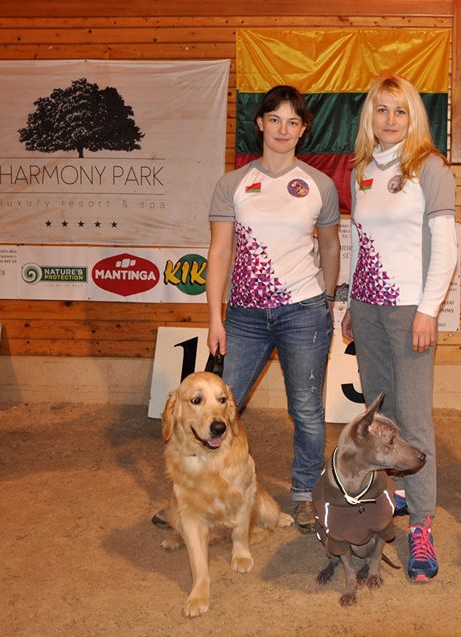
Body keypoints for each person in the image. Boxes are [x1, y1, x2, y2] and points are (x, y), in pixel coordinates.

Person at [207, 85, 340, 532]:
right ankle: (209, 494)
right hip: (244, 317)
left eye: (293, 122)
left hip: (303, 313)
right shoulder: (233, 184)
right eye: (275, 119)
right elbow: (219, 253)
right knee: (219, 408)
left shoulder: (320, 185)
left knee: (306, 410)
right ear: (261, 123)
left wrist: (326, 299)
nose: (283, 129)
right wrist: (215, 318)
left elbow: (330, 246)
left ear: (303, 130)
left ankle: (305, 493)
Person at [341, 75, 458, 582]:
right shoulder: (361, 170)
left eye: (400, 111)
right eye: (382, 110)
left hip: (410, 309)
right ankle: (392, 497)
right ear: (370, 116)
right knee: (378, 416)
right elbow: (358, 241)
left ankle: (422, 526)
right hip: (367, 308)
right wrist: (351, 300)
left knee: (412, 417)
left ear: (415, 118)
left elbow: (446, 248)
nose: (390, 120)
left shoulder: (430, 168)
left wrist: (428, 310)